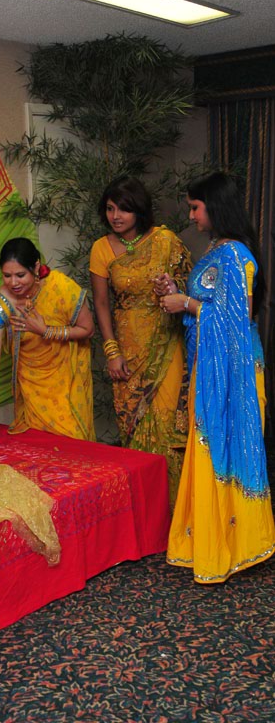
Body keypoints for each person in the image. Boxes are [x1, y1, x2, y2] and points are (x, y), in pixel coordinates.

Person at [161, 172, 275, 583]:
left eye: (195, 207)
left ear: (215, 206)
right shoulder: (216, 249)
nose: (192, 216)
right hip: (212, 368)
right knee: (211, 445)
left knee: (226, 446)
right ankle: (212, 540)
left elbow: (237, 320)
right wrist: (177, 293)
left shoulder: (235, 255)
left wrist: (187, 304)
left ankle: (234, 545)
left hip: (234, 372)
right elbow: (214, 305)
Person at [90, 176, 192, 506]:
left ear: (139, 210)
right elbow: (101, 303)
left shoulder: (165, 240)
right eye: (110, 209)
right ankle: (148, 512)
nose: (116, 216)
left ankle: (179, 511)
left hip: (166, 344)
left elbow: (192, 286)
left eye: (123, 209)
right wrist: (111, 351)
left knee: (168, 425)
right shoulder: (101, 248)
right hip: (128, 349)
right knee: (135, 428)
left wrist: (171, 287)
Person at [0, 238, 95, 442]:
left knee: (73, 445)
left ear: (35, 267)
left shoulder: (60, 287)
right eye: (7, 276)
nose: (13, 283)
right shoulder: (0, 303)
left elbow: (88, 330)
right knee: (40, 447)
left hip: (66, 382)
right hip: (32, 386)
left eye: (20, 275)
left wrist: (46, 331)